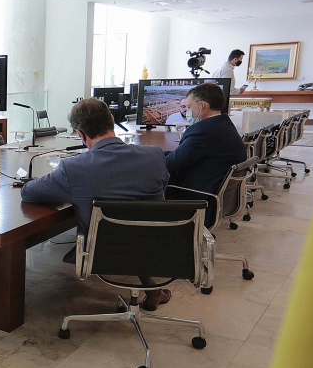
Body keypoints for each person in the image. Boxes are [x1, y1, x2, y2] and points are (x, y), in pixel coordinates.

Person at [21, 99, 172, 310]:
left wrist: (70, 190)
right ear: (111, 119)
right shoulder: (154, 155)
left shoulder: (73, 168)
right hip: (155, 245)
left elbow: (28, 192)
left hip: (102, 252)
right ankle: (151, 287)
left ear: (80, 134)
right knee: (136, 222)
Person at [164, 83, 248, 224]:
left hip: (197, 198)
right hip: (215, 194)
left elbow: (171, 164)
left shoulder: (203, 131)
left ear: (201, 106)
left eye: (190, 107)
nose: (188, 112)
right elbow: (183, 155)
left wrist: (149, 157)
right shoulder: (224, 123)